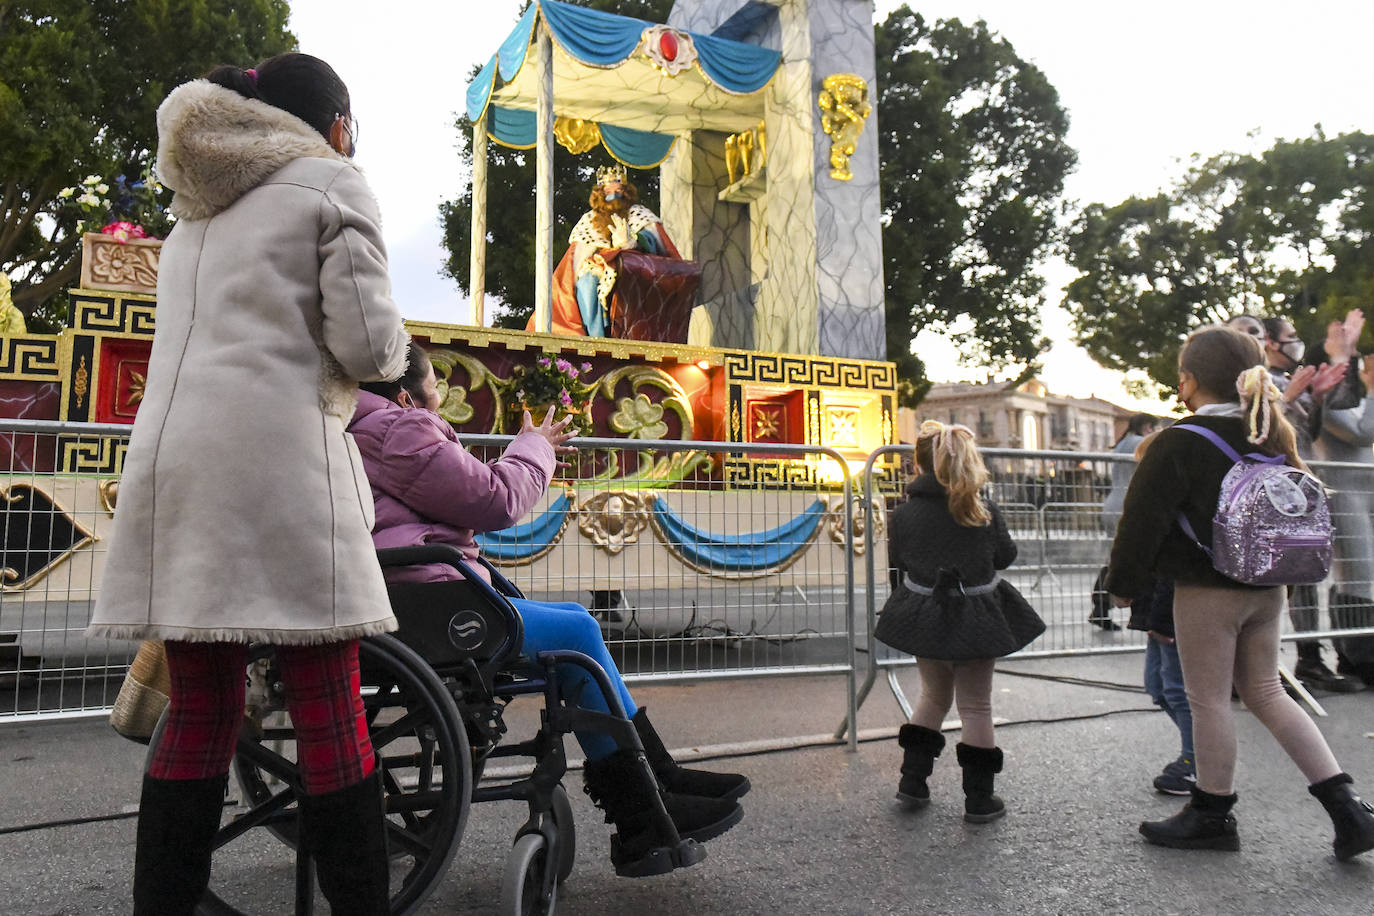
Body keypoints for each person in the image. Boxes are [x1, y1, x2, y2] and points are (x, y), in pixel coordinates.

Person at [85, 54, 411, 914]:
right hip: (279, 468)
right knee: (328, 709)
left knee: (200, 708)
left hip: (177, 470)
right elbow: (371, 350)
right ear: (335, 122)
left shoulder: (197, 210)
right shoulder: (331, 183)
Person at [348, 341, 749, 877]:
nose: (439, 396)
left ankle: (659, 779)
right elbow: (494, 499)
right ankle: (640, 810)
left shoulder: (359, 428)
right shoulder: (397, 429)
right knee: (578, 631)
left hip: (411, 592)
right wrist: (533, 446)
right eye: (435, 385)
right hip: (431, 603)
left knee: (568, 622)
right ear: (406, 395)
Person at [1107, 325, 1374, 860]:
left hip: (1208, 590)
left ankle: (1211, 812)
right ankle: (1348, 806)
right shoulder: (1269, 433)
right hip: (1268, 586)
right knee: (1269, 692)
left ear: (1187, 382)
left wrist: (1123, 588)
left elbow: (1142, 523)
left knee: (1208, 701)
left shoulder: (1179, 441)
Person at [874, 420, 1045, 823]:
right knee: (976, 706)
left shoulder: (903, 514)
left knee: (932, 696)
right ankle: (979, 799)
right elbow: (1004, 556)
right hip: (976, 617)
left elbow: (899, 562)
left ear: (918, 465)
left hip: (925, 613)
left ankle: (912, 782)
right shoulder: (980, 509)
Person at [1260, 313, 1364, 691]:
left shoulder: (1292, 379)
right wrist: (1290, 398)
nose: (1296, 341)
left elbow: (1310, 430)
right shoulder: (1260, 381)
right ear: (1271, 343)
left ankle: (1309, 660)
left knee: (1304, 578)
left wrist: (1316, 397)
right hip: (1272, 491)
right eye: (1290, 336)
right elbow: (1257, 429)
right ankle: (1265, 668)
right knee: (1275, 584)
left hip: (1300, 489)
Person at [535, 164, 683, 338]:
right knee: (586, 283)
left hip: (633, 268)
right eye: (608, 187)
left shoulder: (638, 213)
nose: (613, 190)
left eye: (618, 187)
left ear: (626, 190)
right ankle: (595, 336)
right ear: (601, 192)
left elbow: (654, 241)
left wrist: (633, 241)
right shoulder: (589, 220)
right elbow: (577, 259)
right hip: (599, 268)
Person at [1312, 347, 1374, 688]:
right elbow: (1363, 432)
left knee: (1361, 574)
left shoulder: (1354, 401)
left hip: (1364, 496)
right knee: (1357, 575)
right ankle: (1360, 658)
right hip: (1345, 495)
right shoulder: (1328, 403)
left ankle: (1353, 653)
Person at [1092, 413, 1158, 631]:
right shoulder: (1141, 443)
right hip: (1128, 505)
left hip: (1112, 502)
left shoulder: (1121, 444)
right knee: (1131, 558)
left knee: (1114, 558)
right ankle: (1130, 610)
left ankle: (1100, 606)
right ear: (1148, 427)